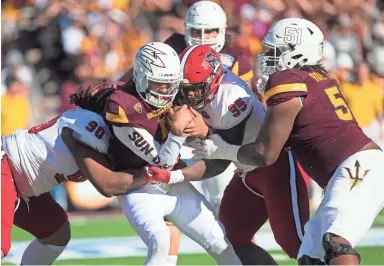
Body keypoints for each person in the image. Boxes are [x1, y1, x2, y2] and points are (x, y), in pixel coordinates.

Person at [184, 18, 384, 265]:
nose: (267, 56)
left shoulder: (288, 80)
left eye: (274, 51)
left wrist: (220, 148)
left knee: (335, 242)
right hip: (353, 166)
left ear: (296, 52)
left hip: (356, 165)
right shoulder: (315, 77)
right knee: (310, 255)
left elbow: (265, 154)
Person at [146, 44, 310, 264]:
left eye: (195, 88)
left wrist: (177, 173)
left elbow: (219, 162)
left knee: (297, 244)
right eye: (183, 88)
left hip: (276, 168)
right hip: (246, 173)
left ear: (214, 80)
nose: (188, 95)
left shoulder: (232, 98)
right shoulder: (195, 94)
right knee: (232, 240)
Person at [118, 1, 254, 260]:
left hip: (213, 140)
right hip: (173, 137)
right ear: (186, 28)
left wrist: (206, 129)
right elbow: (130, 81)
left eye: (210, 31)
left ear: (223, 30)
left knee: (226, 214)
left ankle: (243, 254)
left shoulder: (236, 61)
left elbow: (239, 119)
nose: (203, 38)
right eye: (197, 31)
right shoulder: (171, 46)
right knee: (167, 205)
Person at [99, 42, 241, 265]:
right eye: (159, 84)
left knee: (219, 240)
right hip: (139, 186)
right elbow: (160, 164)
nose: (167, 91)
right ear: (142, 77)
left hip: (174, 183)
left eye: (171, 84)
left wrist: (202, 130)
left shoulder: (176, 93)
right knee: (160, 241)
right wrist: (176, 132)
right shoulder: (123, 106)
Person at [1, 81, 149, 264]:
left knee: (55, 233)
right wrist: (151, 174)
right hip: (6, 167)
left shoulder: (103, 131)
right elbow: (107, 185)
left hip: (21, 184)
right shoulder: (88, 125)